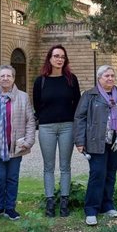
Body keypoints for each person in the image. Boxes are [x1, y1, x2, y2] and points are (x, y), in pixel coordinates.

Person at [75, 65, 117, 226]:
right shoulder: (90, 95)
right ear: (99, 78)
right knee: (97, 174)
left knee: (110, 174)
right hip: (96, 140)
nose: (110, 78)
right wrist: (80, 141)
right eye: (106, 76)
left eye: (112, 76)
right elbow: (80, 118)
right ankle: (91, 210)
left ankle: (107, 205)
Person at [33, 45, 81, 217]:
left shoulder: (71, 79)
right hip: (47, 128)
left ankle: (64, 203)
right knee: (48, 166)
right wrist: (45, 117)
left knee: (65, 166)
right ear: (50, 58)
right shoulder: (41, 81)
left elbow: (78, 103)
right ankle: (50, 202)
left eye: (62, 56)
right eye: (56, 56)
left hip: (67, 126)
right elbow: (37, 104)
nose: (59, 59)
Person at [0, 65, 36, 221]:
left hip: (15, 144)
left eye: (8, 76)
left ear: (13, 78)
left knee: (12, 177)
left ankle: (10, 208)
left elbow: (30, 120)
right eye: (2, 76)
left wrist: (29, 141)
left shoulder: (23, 96)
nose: (5, 78)